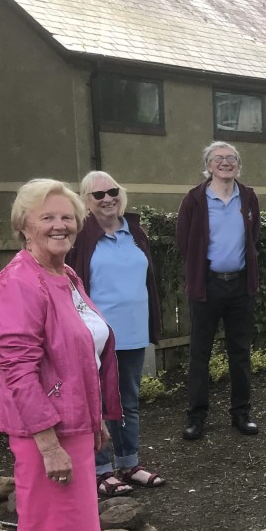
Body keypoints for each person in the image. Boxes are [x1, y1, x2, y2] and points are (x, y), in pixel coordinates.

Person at [0, 179, 120, 531]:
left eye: (67, 217)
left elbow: (81, 353)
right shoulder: (16, 284)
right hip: (43, 433)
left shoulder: (65, 275)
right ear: (24, 224)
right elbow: (17, 370)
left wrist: (96, 418)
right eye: (47, 217)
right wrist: (47, 442)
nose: (60, 225)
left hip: (75, 426)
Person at [68, 171, 164, 496]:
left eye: (112, 191)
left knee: (128, 401)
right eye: (98, 194)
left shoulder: (134, 231)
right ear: (86, 201)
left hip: (134, 332)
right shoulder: (80, 237)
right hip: (95, 337)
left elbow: (149, 281)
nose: (107, 198)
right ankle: (100, 469)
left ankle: (129, 463)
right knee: (95, 402)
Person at [176, 141, 261, 441]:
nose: (225, 162)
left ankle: (241, 413)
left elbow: (254, 236)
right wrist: (201, 272)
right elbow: (185, 241)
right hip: (207, 285)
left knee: (240, 353)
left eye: (231, 158)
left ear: (238, 164)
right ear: (209, 165)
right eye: (218, 158)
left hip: (240, 285)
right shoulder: (195, 199)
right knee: (200, 352)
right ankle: (196, 417)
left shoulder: (248, 197)